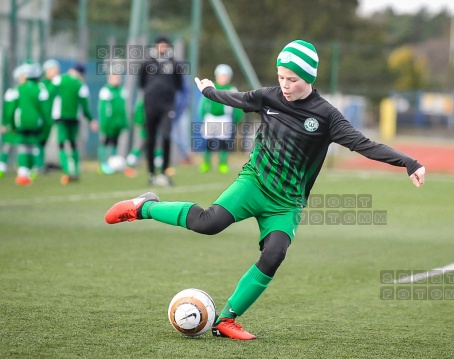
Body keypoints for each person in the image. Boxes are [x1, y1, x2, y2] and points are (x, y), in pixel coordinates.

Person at [105, 39, 426, 340]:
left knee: (274, 254)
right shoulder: (269, 96)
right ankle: (143, 206)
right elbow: (239, 99)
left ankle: (226, 320)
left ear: (309, 78)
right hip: (254, 182)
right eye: (281, 77)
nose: (285, 85)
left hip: (287, 203)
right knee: (208, 223)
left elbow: (364, 144)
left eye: (292, 79)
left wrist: (409, 162)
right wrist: (210, 92)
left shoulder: (327, 116)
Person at [138, 35, 183, 186]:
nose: (162, 48)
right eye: (160, 45)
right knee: (150, 139)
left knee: (165, 136)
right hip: (150, 105)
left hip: (167, 106)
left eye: (165, 45)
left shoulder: (174, 64)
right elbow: (142, 83)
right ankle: (151, 173)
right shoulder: (147, 62)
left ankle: (164, 172)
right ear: (156, 46)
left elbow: (179, 84)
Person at [2, 61, 50, 186]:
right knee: (33, 147)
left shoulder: (17, 89)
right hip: (36, 124)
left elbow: (11, 110)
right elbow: (45, 112)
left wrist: (10, 125)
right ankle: (33, 169)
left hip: (21, 124)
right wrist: (45, 128)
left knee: (23, 147)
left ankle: (23, 173)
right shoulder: (41, 89)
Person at [52, 63, 98, 184]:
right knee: (73, 144)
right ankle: (76, 171)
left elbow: (49, 95)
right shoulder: (81, 85)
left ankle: (68, 170)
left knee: (61, 144)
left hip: (60, 117)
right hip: (74, 118)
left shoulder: (59, 79)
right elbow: (85, 106)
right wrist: (91, 119)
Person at [198, 64, 244, 174]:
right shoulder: (211, 87)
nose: (223, 78)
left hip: (225, 118)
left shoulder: (231, 89)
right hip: (211, 118)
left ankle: (223, 164)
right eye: (221, 76)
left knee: (224, 142)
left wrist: (237, 118)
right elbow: (203, 104)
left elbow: (237, 106)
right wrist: (202, 115)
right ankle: (206, 163)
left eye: (225, 76)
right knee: (209, 141)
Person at [97, 72, 128, 174]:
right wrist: (104, 122)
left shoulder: (122, 90)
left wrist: (124, 121)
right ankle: (103, 164)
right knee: (106, 141)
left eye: (117, 78)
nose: (116, 80)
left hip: (117, 122)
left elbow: (123, 108)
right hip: (108, 122)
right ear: (109, 79)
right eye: (114, 78)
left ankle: (113, 163)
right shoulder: (106, 91)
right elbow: (103, 109)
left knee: (115, 142)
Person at [37, 59, 60, 175]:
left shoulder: (57, 83)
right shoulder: (43, 85)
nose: (55, 72)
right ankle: (38, 165)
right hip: (42, 118)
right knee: (39, 141)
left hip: (52, 118)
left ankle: (43, 165)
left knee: (45, 142)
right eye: (52, 70)